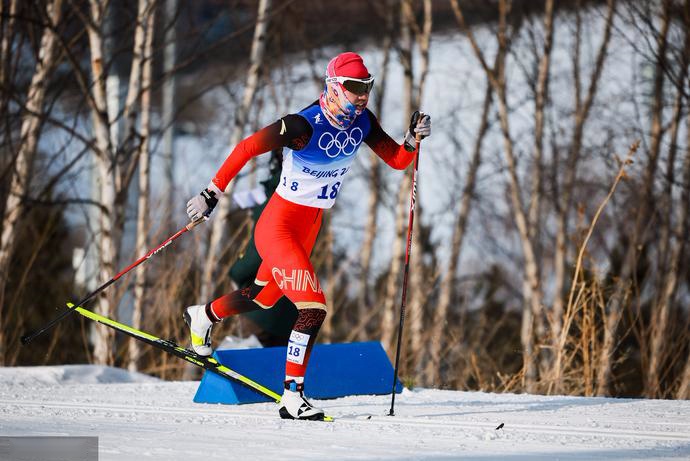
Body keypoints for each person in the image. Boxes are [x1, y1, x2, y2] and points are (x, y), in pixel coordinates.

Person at [184, 52, 431, 421]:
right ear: (333, 87)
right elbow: (248, 147)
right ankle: (292, 396)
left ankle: (204, 315)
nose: (362, 95)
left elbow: (396, 159)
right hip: (278, 225)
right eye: (354, 87)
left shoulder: (362, 122)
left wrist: (412, 139)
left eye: (367, 87)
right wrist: (211, 193)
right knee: (313, 307)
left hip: (309, 227)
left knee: (266, 298)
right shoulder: (302, 124)